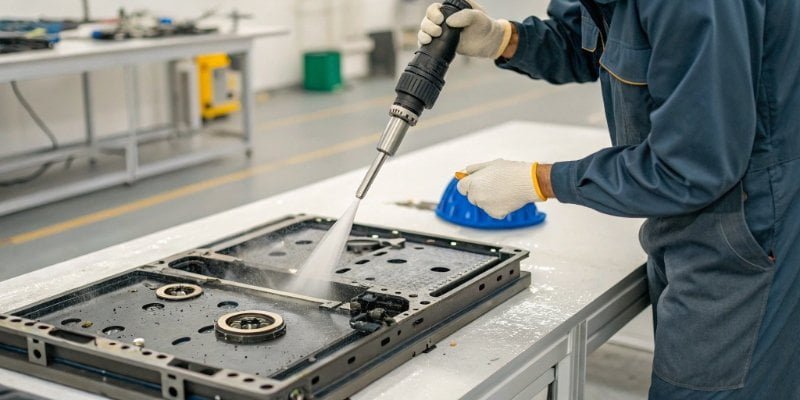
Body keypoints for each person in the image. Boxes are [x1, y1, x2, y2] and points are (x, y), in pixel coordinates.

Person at [419, 0, 800, 398]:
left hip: (748, 222)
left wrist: (541, 180)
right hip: (688, 211)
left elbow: (690, 165)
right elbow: (592, 39)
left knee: (708, 388)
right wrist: (503, 39)